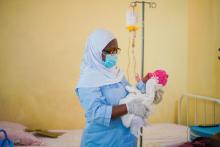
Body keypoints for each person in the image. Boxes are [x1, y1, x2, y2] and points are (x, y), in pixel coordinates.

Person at [75, 29, 149, 147]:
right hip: (101, 141)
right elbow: (96, 113)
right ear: (96, 52)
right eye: (109, 51)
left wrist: (144, 85)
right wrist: (128, 108)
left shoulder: (116, 73)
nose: (113, 55)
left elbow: (129, 95)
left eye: (116, 50)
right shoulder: (87, 81)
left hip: (126, 140)